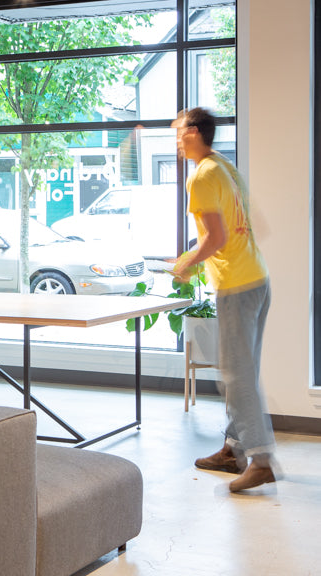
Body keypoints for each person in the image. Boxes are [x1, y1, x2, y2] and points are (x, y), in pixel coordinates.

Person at [171, 107, 276, 493]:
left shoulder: (201, 177)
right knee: (241, 370)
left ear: (195, 132)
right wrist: (195, 258)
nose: (176, 138)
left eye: (178, 130)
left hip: (238, 285)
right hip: (258, 279)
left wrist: (186, 264)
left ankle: (261, 458)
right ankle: (234, 449)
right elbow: (243, 226)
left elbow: (215, 239)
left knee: (236, 372)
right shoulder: (225, 168)